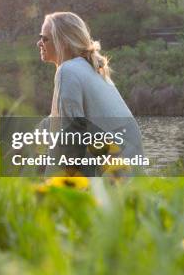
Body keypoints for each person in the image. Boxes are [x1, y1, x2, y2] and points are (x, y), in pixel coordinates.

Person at [37, 11, 143, 174]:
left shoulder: (68, 70)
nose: (39, 43)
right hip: (129, 169)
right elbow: (56, 123)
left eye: (45, 38)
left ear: (63, 42)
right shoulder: (90, 68)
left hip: (114, 176)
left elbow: (69, 137)